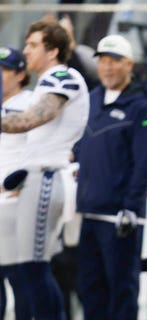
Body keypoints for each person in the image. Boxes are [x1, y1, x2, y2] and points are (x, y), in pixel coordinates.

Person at [0, 19, 90, 320]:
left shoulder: (64, 76)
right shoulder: (45, 83)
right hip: (34, 179)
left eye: (33, 44)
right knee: (29, 269)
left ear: (52, 51)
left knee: (34, 268)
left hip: (48, 177)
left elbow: (33, 119)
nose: (26, 49)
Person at [72, 34, 147, 319]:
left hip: (120, 218)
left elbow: (144, 161)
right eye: (103, 61)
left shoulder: (141, 105)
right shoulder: (92, 99)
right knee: (90, 289)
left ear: (129, 64)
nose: (107, 68)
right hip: (89, 214)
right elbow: (78, 146)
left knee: (121, 290)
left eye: (114, 62)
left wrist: (131, 207)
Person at [0, 46, 33, 320]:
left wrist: (18, 185)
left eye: (5, 69)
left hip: (16, 203)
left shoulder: (32, 105)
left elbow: (38, 151)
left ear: (21, 73)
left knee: (21, 280)